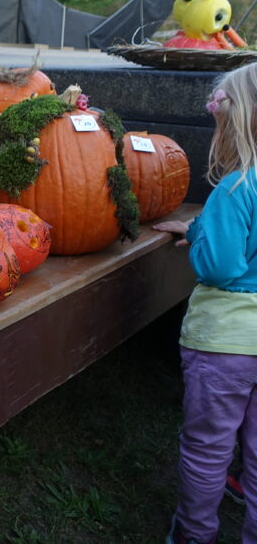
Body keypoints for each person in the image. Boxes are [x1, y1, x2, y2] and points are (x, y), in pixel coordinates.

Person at [154, 63, 257, 544]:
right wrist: (202, 231)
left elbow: (219, 266)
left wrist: (199, 239)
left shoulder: (236, 189)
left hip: (225, 348)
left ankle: (195, 534)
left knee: (208, 447)